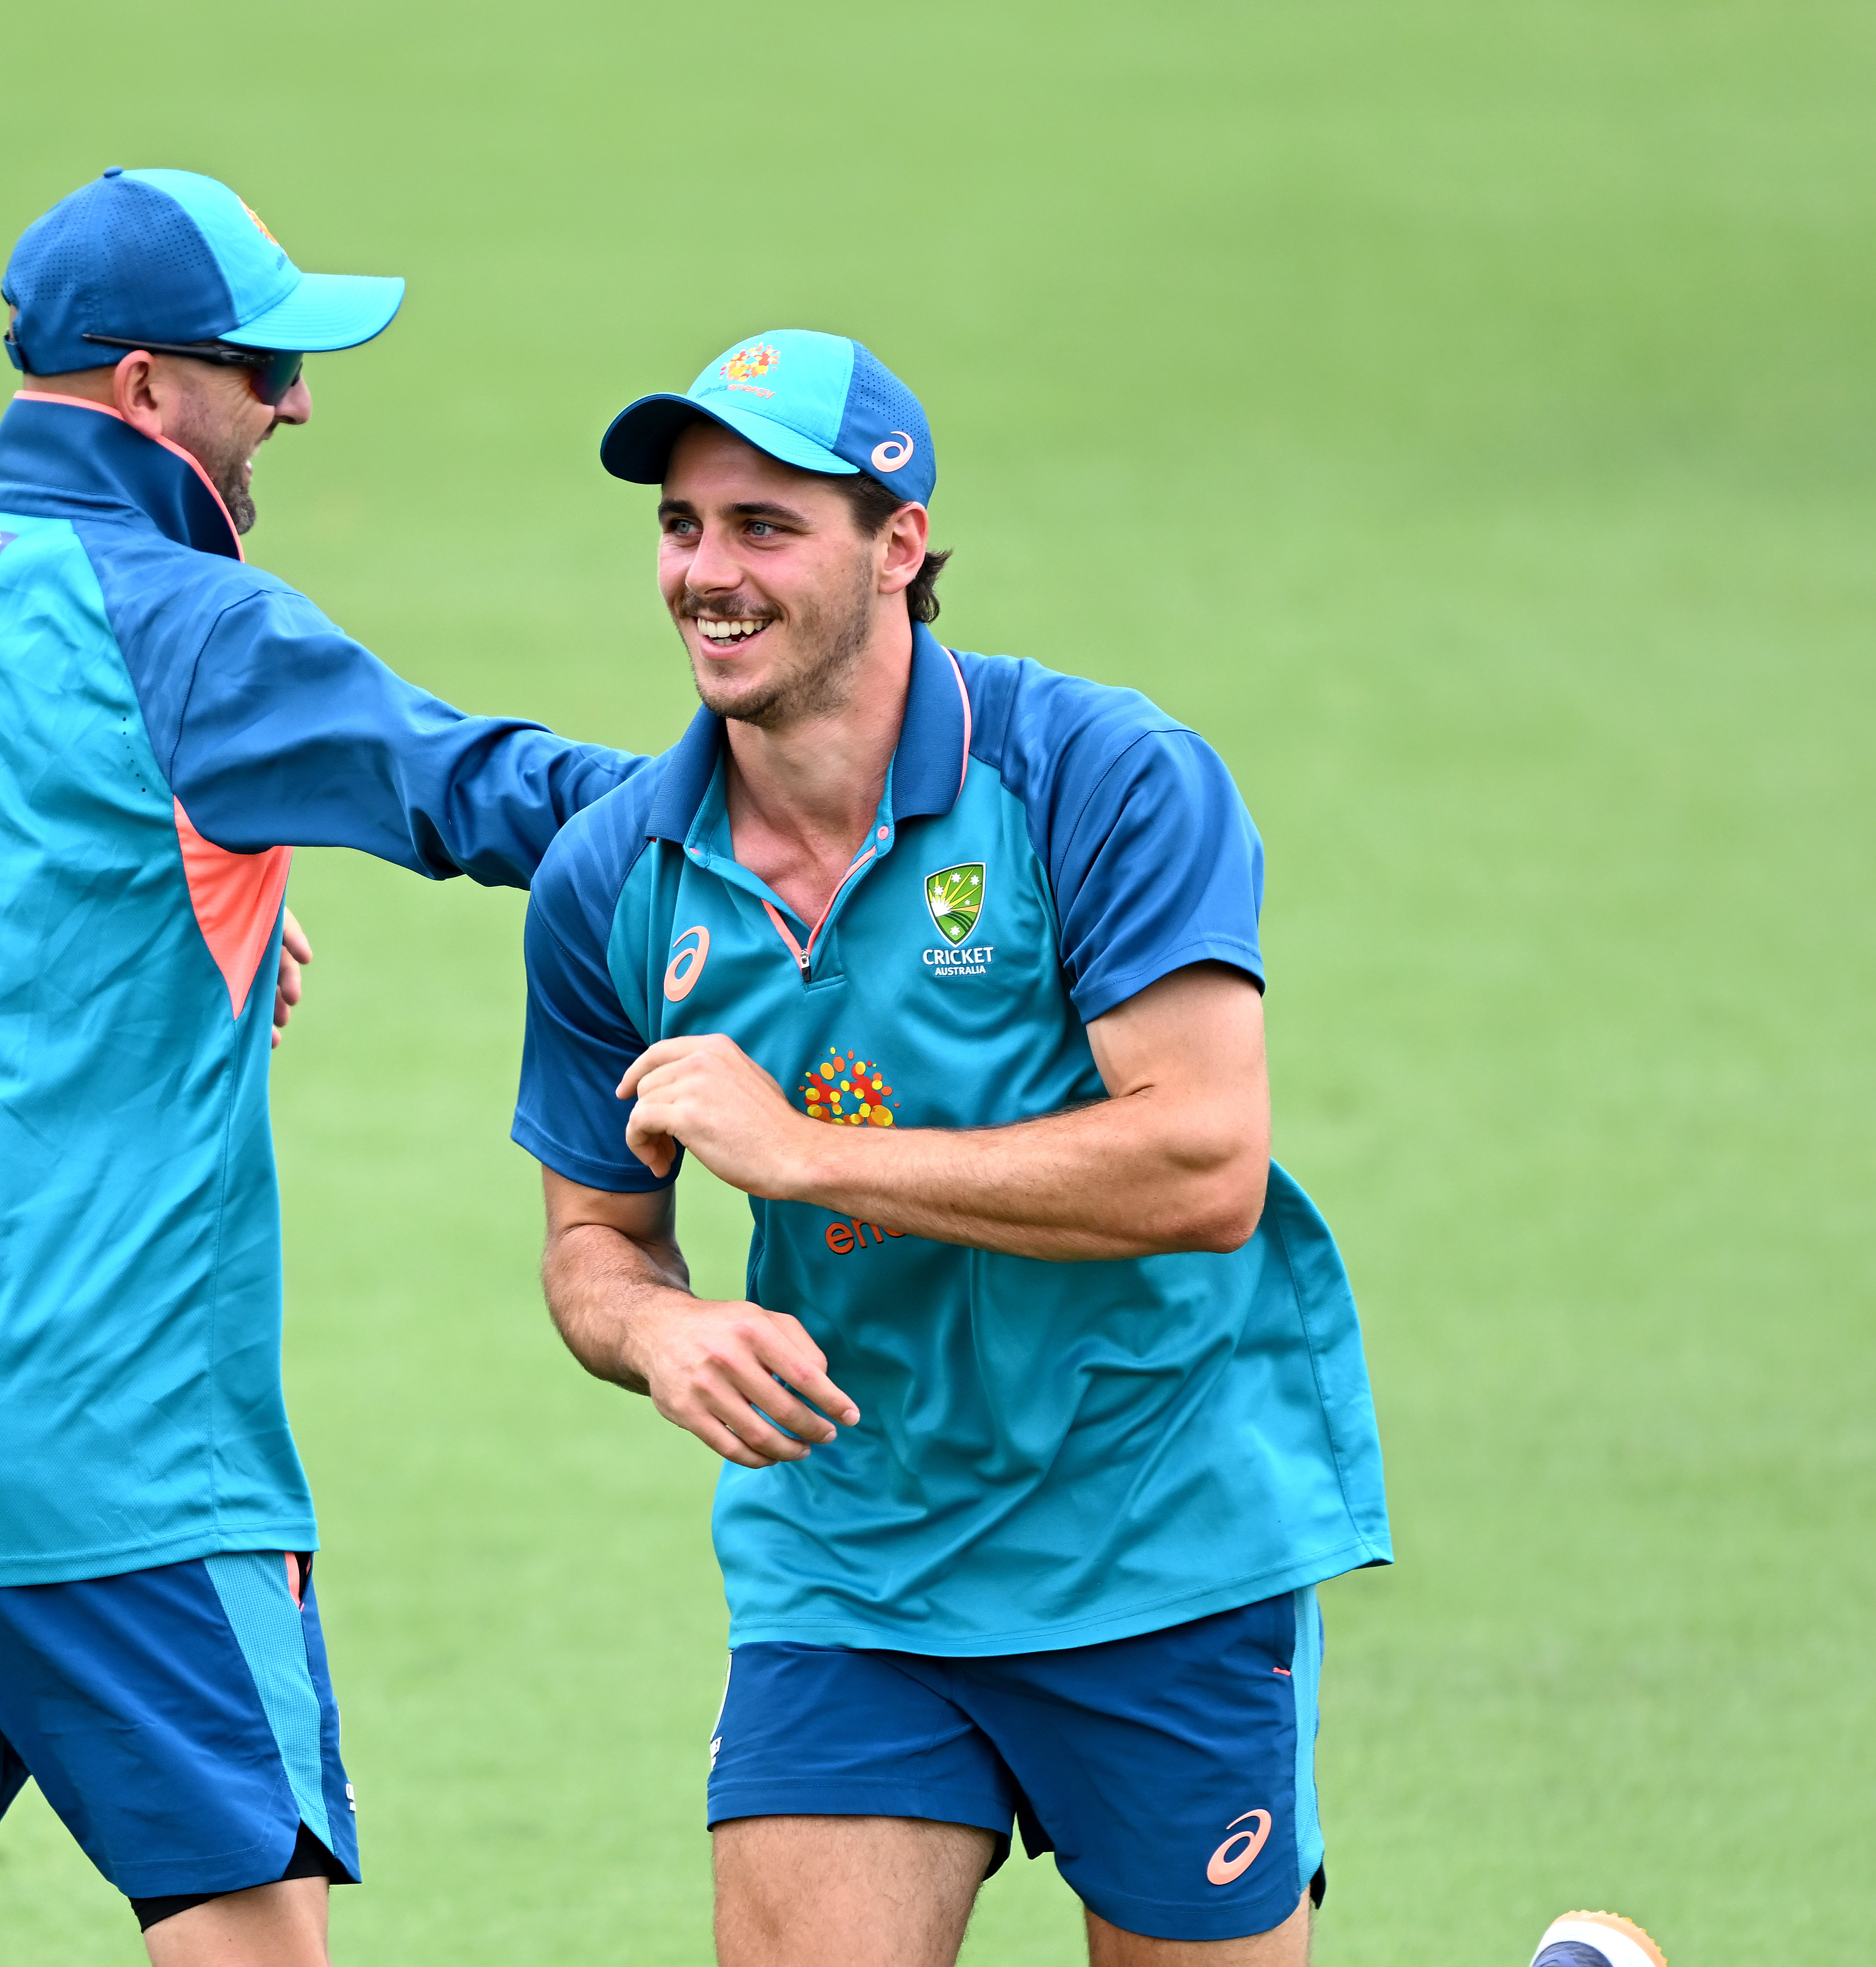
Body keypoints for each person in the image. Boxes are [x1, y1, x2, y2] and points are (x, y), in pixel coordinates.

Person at [0, 167, 639, 1967]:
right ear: (143, 390)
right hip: (107, 1457)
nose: (293, 399)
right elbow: (491, 795)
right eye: (260, 364)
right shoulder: (193, 629)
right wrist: (772, 794)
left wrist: (94, 912)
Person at [510, 329, 1393, 1967]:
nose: (707, 573)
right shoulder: (611, 875)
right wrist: (657, 1325)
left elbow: (1202, 1167)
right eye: (683, 526)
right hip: (851, 1557)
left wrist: (812, 1159)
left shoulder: (1102, 781)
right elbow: (594, 1242)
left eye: (764, 527)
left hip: (1159, 1538)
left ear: (896, 547)